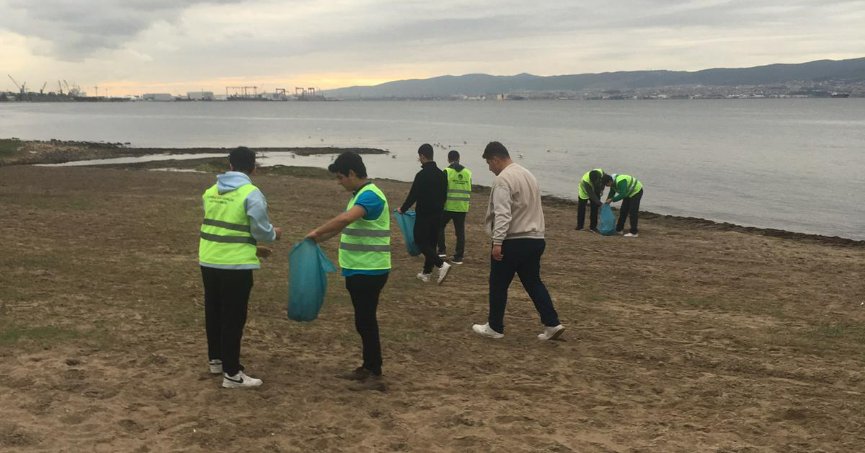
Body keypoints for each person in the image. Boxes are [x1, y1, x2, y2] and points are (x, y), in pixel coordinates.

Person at [199, 146, 282, 389]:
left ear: (230, 165)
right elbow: (260, 229)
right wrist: (274, 235)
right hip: (235, 265)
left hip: (209, 259)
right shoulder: (251, 193)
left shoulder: (210, 191)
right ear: (253, 167)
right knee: (233, 317)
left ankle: (216, 360)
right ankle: (232, 374)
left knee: (213, 312)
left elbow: (223, 228)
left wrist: (254, 248)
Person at [306, 151, 389, 391]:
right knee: (362, 320)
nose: (339, 181)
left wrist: (317, 232)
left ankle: (375, 372)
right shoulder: (359, 195)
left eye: (341, 177)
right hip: (358, 268)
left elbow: (344, 219)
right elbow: (346, 226)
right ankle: (367, 366)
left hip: (370, 269)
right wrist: (319, 240)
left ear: (353, 174)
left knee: (366, 320)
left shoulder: (371, 196)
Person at [472, 141, 565, 341]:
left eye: (489, 163)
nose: (490, 168)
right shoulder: (528, 175)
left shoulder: (503, 180)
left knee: (498, 283)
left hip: (513, 240)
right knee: (533, 282)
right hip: (536, 238)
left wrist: (497, 242)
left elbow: (503, 213)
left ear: (496, 159)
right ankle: (552, 323)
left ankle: (495, 327)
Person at [397, 143, 451, 284]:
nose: (419, 159)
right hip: (438, 214)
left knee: (420, 241)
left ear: (422, 156)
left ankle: (441, 265)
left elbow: (413, 195)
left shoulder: (421, 175)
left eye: (419, 157)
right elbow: (445, 195)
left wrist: (402, 209)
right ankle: (426, 273)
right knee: (431, 244)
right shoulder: (442, 175)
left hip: (424, 214)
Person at [438, 150, 472, 264]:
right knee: (460, 232)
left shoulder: (447, 171)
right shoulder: (468, 172)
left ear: (448, 159)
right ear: (459, 158)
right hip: (462, 207)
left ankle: (442, 251)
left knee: (439, 226)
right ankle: (459, 257)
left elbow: (442, 190)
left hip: (448, 206)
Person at [602, 173, 644, 237]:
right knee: (623, 211)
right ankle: (619, 229)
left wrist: (612, 199)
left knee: (633, 211)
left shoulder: (620, 181)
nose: (606, 186)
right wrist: (607, 202)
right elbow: (611, 193)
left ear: (610, 181)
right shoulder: (612, 183)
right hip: (628, 193)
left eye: (606, 184)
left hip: (636, 191)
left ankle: (634, 233)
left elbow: (622, 194)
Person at [576, 168, 605, 232]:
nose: (594, 182)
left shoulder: (601, 173)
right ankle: (580, 226)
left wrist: (602, 189)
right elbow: (591, 195)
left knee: (594, 208)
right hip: (584, 192)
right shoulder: (585, 181)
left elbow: (604, 181)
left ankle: (593, 227)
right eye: (593, 181)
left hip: (595, 190)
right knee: (581, 208)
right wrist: (600, 203)